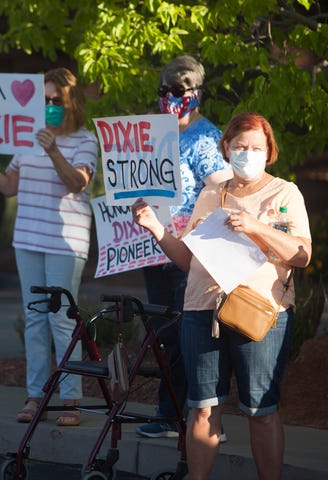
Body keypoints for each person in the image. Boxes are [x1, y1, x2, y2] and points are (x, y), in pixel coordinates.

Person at [132, 112, 311, 480]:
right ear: (226, 147)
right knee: (201, 408)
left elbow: (302, 255)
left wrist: (256, 227)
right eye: (241, 146)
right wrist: (156, 229)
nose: (248, 153)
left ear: (269, 152)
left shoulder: (285, 192)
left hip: (259, 313)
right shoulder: (211, 192)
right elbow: (187, 259)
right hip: (201, 310)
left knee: (260, 410)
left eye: (256, 147)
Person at [0, 67, 98, 427]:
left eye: (56, 100)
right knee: (34, 318)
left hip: (65, 242)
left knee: (62, 319)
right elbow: (8, 187)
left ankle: (71, 398)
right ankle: (36, 396)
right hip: (29, 239)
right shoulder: (25, 137)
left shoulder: (84, 140)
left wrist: (53, 152)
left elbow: (78, 184)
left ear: (70, 102)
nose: (49, 105)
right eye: (44, 99)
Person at [137, 55, 232, 439]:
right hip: (154, 247)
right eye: (165, 92)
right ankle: (169, 411)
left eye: (179, 91)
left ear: (195, 94)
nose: (171, 98)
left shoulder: (205, 136)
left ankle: (202, 420)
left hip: (190, 251)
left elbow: (223, 187)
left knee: (189, 333)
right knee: (165, 334)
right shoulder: (154, 134)